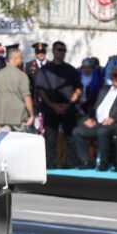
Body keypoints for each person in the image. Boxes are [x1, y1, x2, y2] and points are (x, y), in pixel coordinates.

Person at [72, 66, 117, 171]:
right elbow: (95, 107)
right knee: (77, 131)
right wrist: (91, 118)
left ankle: (104, 163)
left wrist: (113, 119)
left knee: (102, 132)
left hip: (115, 124)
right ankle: (88, 161)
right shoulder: (104, 89)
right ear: (111, 76)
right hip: (98, 122)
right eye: (116, 75)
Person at [36, 41, 82, 169]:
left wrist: (69, 104)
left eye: (64, 50)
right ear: (53, 51)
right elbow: (41, 90)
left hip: (68, 109)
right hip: (51, 108)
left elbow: (78, 89)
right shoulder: (45, 70)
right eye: (59, 50)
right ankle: (50, 164)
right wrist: (52, 105)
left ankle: (71, 164)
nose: (61, 52)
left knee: (70, 138)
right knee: (50, 138)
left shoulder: (71, 70)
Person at [0, 45, 35, 131]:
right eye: (21, 58)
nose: (22, 60)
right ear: (15, 59)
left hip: (1, 118)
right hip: (18, 119)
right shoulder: (21, 75)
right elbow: (27, 97)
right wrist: (31, 115)